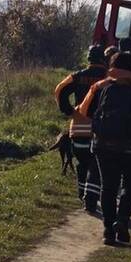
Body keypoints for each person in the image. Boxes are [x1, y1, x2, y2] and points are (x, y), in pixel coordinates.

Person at [79, 52, 131, 245]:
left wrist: (96, 93)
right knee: (129, 187)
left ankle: (108, 230)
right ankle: (122, 221)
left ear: (111, 67)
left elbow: (83, 111)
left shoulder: (101, 87)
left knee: (108, 187)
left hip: (104, 144)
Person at [53, 45, 108, 214]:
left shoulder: (77, 76)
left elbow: (60, 89)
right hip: (102, 130)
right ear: (103, 60)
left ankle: (81, 193)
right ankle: (90, 200)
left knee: (83, 162)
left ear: (89, 59)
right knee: (97, 166)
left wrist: (69, 111)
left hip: (78, 128)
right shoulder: (109, 78)